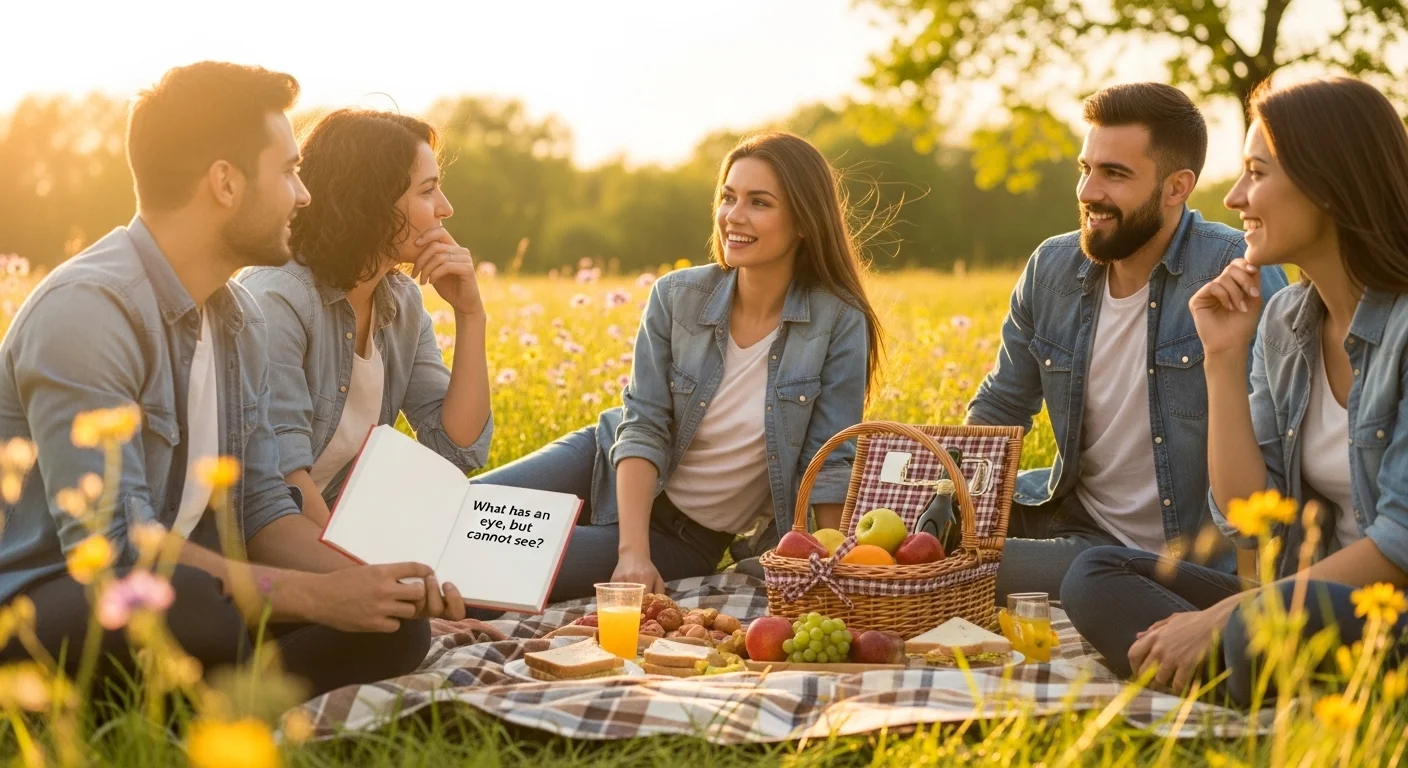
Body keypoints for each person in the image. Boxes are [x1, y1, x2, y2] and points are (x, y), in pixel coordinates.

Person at [0, 63, 467, 698]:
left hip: (195, 594)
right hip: (48, 605)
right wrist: (319, 597)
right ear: (225, 182)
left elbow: (264, 511)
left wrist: (374, 587)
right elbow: (114, 549)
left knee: (393, 627)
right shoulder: (89, 310)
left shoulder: (236, 318)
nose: (304, 195)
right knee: (197, 605)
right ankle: (210, 701)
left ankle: (205, 704)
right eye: (289, 172)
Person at [1061, 77, 1408, 706]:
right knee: (1094, 574)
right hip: (1302, 601)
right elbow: (1248, 516)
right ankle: (1257, 680)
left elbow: (1400, 545)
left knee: (1248, 626)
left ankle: (1236, 674)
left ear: (1328, 184)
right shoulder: (1287, 322)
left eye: (1256, 172)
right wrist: (1221, 356)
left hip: (1390, 613)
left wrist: (1222, 618)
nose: (1235, 195)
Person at [473, 131, 881, 601]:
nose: (735, 216)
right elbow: (643, 424)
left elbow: (828, 461)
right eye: (729, 197)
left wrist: (837, 569)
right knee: (453, 511)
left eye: (759, 202)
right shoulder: (677, 296)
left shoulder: (839, 321)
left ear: (804, 221)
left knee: (494, 555)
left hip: (683, 540)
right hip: (604, 461)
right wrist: (631, 554)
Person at [965, 83, 1288, 601]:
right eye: (1085, 169)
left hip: (1183, 560)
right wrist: (952, 496)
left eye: (1115, 174)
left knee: (971, 572)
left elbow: (1278, 444)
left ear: (1177, 187)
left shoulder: (1235, 273)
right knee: (909, 533)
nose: (1089, 191)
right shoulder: (1051, 268)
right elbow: (1002, 406)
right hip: (1072, 524)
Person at [239, 109, 492, 527]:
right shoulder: (278, 297)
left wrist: (470, 314)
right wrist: (367, 576)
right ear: (369, 200)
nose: (445, 208)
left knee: (558, 497)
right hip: (301, 547)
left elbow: (457, 448)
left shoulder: (401, 302)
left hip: (367, 526)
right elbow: (284, 482)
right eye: (427, 191)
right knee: (558, 554)